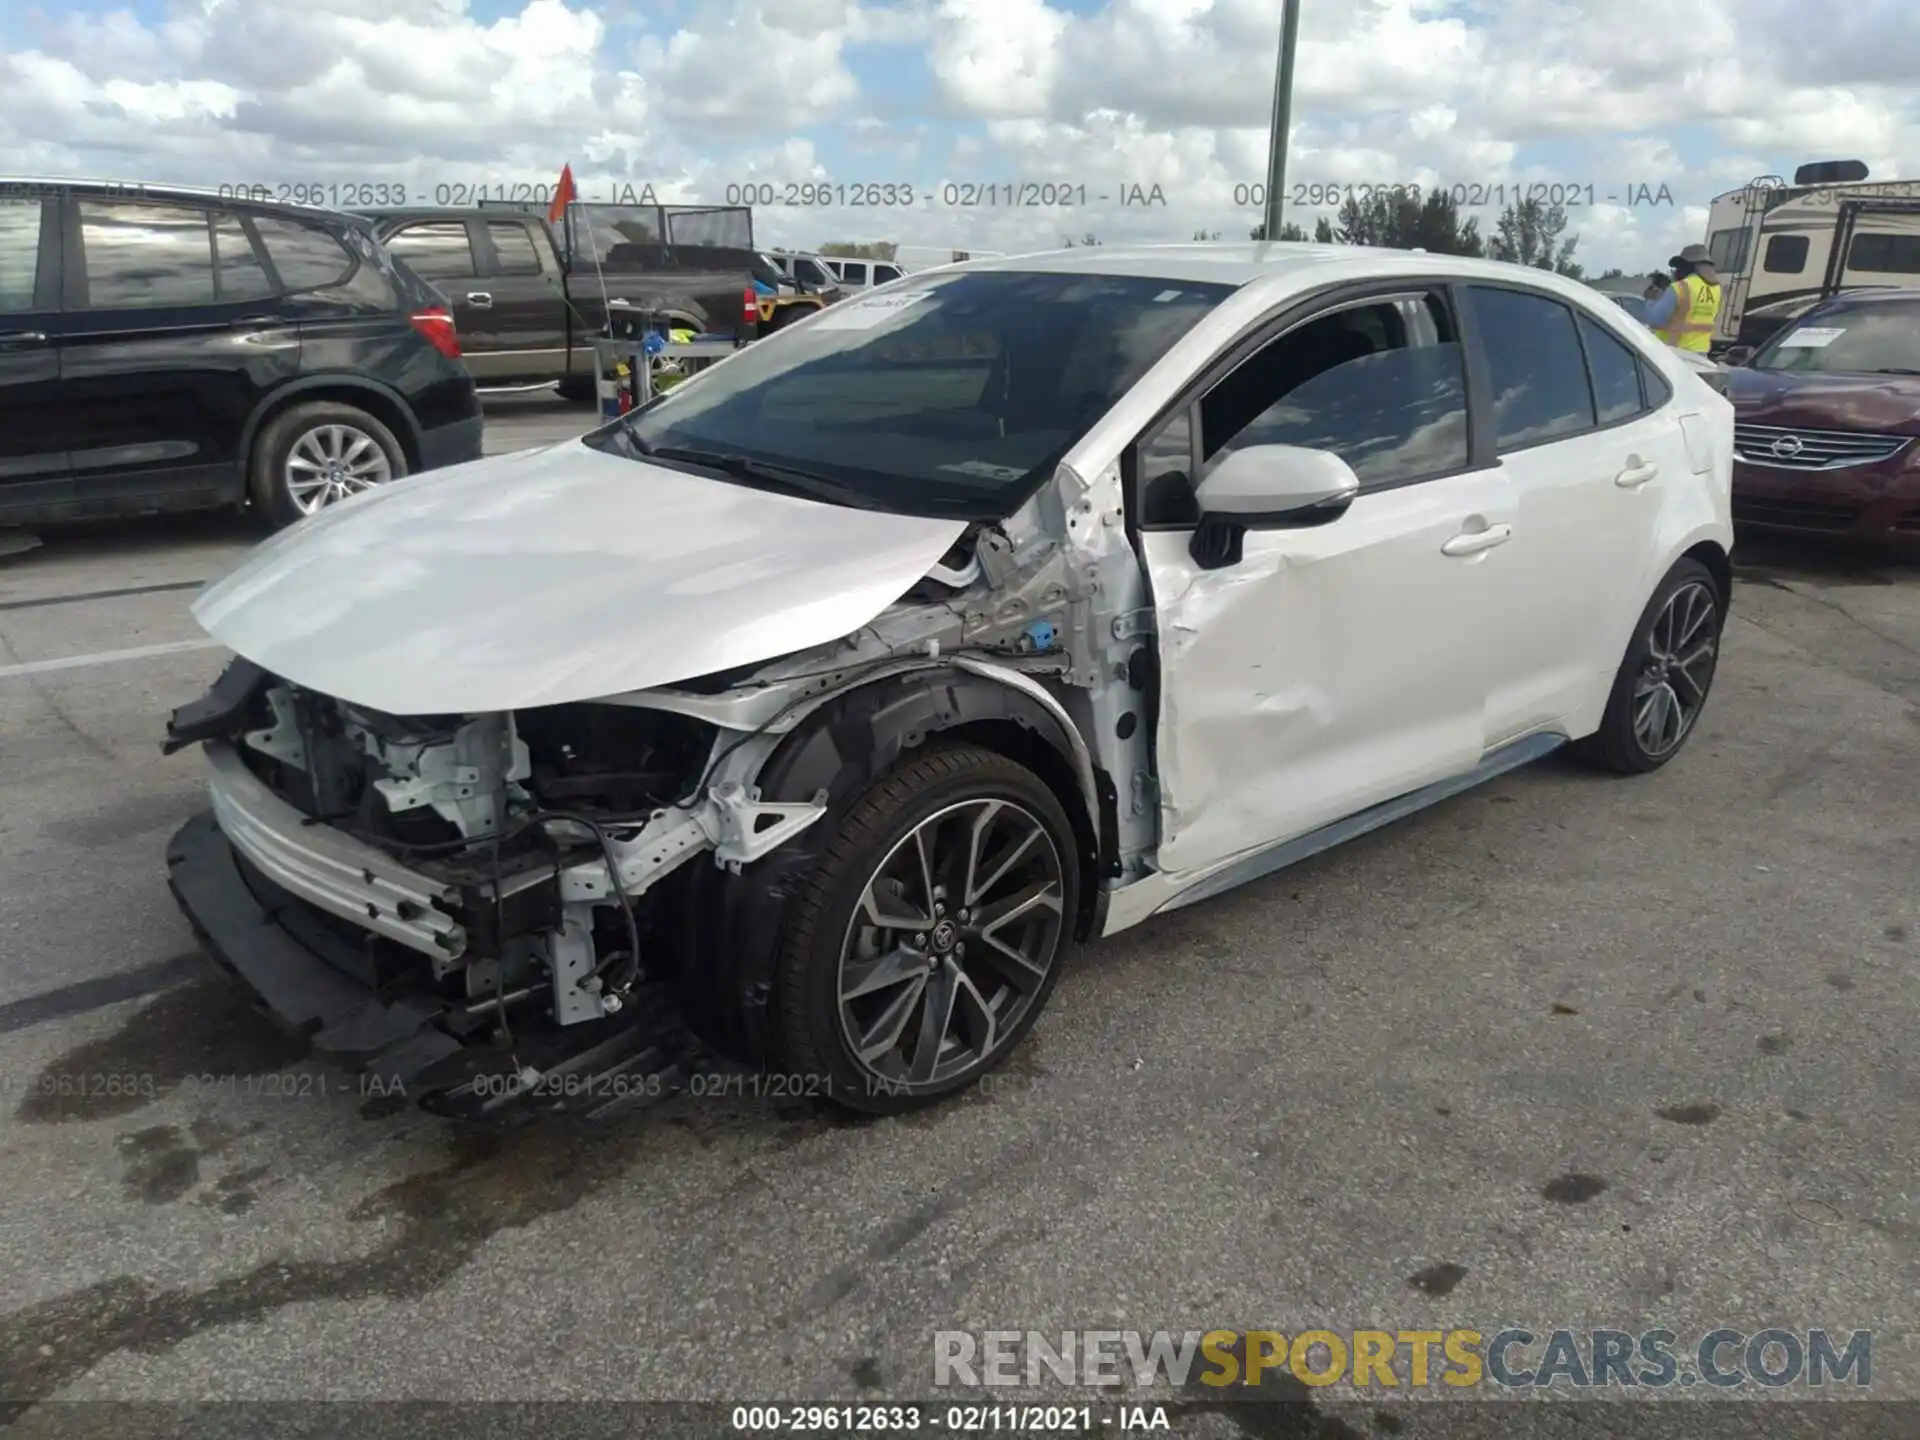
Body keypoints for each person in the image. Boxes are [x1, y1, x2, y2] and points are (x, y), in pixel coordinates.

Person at [1645, 244, 1722, 351]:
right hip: (1701, 351)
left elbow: (1654, 320)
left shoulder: (1680, 287)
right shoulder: (1716, 289)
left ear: (1690, 266)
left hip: (1676, 352)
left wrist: (1651, 299)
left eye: (1680, 265)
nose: (1677, 270)